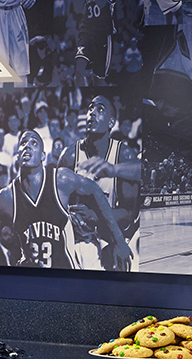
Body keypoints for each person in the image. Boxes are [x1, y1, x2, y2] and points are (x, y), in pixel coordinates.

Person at [0, 130, 131, 270]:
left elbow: (95, 190)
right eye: (23, 143)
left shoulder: (60, 180)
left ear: (43, 156)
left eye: (34, 143)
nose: (27, 146)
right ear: (17, 156)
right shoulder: (6, 198)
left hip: (64, 272)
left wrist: (119, 240)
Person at [58, 95, 141, 269]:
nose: (92, 113)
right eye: (90, 108)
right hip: (80, 238)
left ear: (111, 122)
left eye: (100, 109)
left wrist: (95, 217)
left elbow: (129, 214)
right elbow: (57, 207)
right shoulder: (69, 156)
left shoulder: (124, 156)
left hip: (112, 233)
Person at [64, 0, 115, 85]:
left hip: (102, 34)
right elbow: (77, 7)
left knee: (100, 78)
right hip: (86, 32)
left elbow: (102, 1)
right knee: (78, 72)